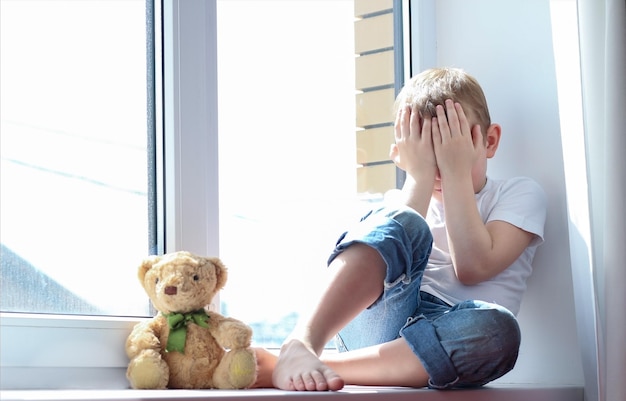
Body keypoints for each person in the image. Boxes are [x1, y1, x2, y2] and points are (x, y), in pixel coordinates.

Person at [253, 67, 547, 391]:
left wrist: (456, 173)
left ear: (488, 141)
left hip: (452, 335)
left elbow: (473, 267)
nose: (442, 164)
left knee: (499, 329)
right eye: (428, 154)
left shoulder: (517, 194)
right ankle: (302, 344)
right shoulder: (400, 204)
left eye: (452, 148)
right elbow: (391, 238)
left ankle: (309, 367)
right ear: (402, 155)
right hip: (381, 321)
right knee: (402, 222)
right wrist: (419, 177)